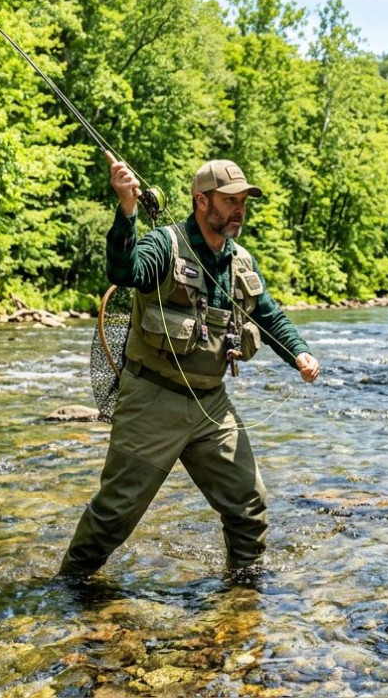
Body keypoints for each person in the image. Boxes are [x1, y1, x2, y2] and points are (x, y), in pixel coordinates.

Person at [59, 158, 321, 581]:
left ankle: (241, 596)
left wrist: (299, 354)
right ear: (202, 201)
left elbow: (269, 316)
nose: (239, 210)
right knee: (114, 515)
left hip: (211, 404)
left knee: (249, 504)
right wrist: (126, 211)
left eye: (243, 202)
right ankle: (68, 587)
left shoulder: (241, 261)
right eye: (230, 200)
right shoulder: (165, 244)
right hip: (151, 399)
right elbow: (124, 272)